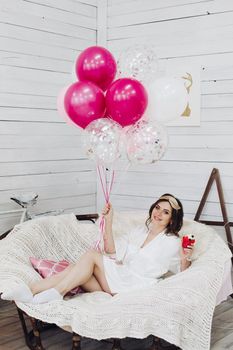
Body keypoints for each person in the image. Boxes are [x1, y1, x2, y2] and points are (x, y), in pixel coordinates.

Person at [2, 194, 194, 304]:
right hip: (117, 280)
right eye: (158, 208)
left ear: (172, 219)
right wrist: (108, 221)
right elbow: (112, 250)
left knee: (93, 255)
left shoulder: (171, 242)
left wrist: (186, 259)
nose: (159, 213)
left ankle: (57, 292)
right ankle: (30, 290)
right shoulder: (139, 231)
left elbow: (182, 274)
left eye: (166, 212)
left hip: (132, 286)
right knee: (73, 269)